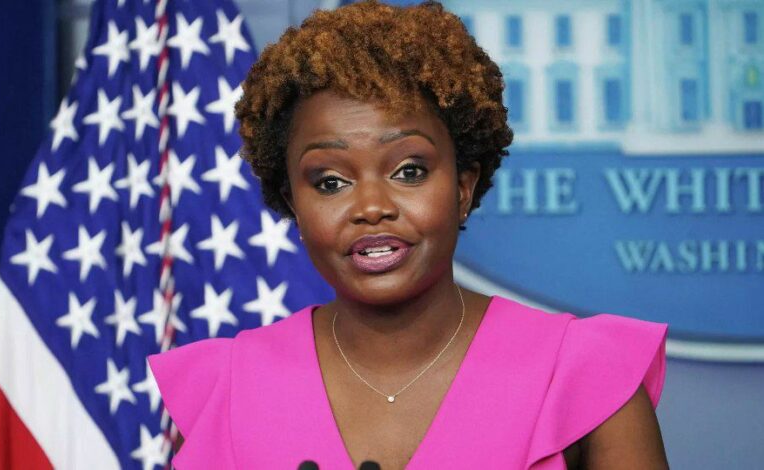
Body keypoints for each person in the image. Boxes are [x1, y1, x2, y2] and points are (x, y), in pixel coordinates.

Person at [148, 1, 670, 468]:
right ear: (293, 205)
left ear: (463, 187)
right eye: (330, 182)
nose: (371, 208)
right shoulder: (226, 389)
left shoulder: (586, 372)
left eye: (409, 171)